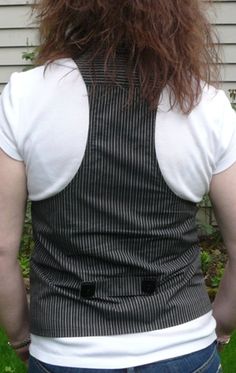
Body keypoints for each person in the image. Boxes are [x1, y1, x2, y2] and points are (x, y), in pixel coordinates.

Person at [0, 0, 236, 372]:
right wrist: (218, 327)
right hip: (182, 344)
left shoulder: (25, 96)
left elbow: (1, 248)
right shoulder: (208, 106)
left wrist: (20, 336)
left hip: (65, 348)